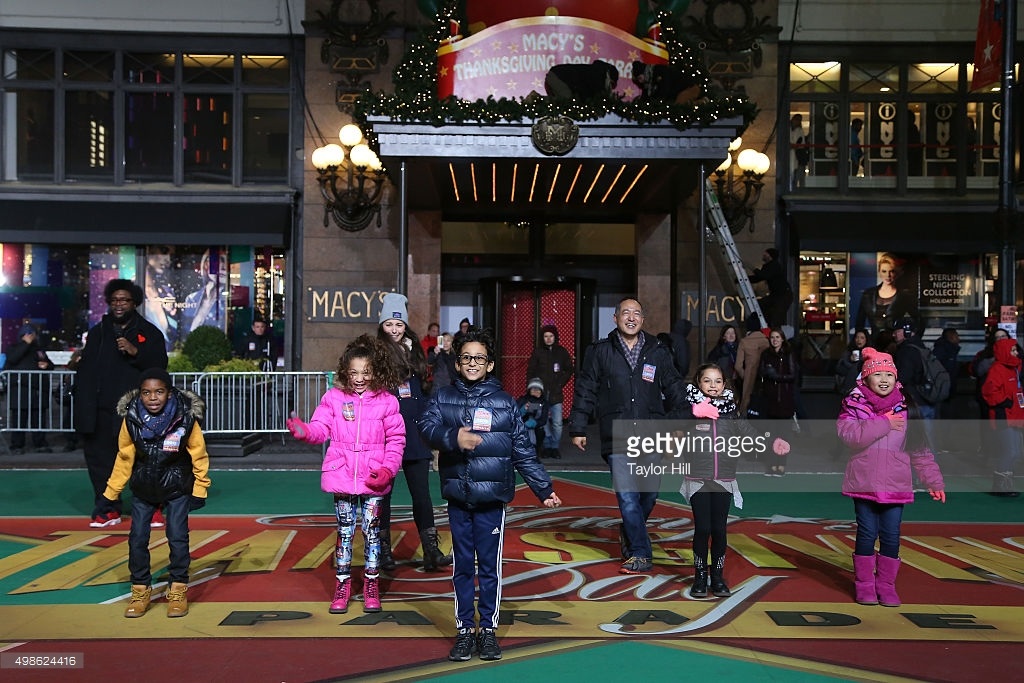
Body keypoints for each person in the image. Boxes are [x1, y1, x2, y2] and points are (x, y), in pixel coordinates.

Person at [419, 328, 562, 662]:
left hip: (492, 499)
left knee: (489, 567)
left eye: (479, 358)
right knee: (462, 566)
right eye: (466, 357)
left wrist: (544, 488)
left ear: (491, 364)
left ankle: (488, 631)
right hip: (458, 495)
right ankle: (465, 630)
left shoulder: (506, 404)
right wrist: (453, 437)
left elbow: (524, 452)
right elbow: (426, 428)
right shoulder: (442, 397)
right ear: (457, 364)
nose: (472, 363)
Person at [568, 297, 689, 575]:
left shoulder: (658, 350)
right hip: (617, 435)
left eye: (636, 313)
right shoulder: (600, 351)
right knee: (628, 497)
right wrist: (578, 426)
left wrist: (682, 421)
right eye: (626, 313)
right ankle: (640, 552)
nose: (631, 317)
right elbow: (586, 387)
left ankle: (630, 529)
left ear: (643, 320)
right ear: (616, 318)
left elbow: (674, 387)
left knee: (649, 495)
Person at [286, 334, 405, 614]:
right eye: (354, 372)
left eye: (366, 372)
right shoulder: (333, 398)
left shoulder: (387, 401)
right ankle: (342, 585)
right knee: (345, 532)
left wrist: (388, 469)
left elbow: (397, 440)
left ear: (376, 372)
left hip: (374, 478)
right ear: (344, 372)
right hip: (342, 478)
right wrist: (304, 432)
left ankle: (371, 585)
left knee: (373, 534)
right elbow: (319, 429)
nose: (360, 378)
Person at [837, 348, 945, 607]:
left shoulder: (907, 408)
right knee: (866, 534)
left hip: (896, 485)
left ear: (896, 379)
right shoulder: (853, 405)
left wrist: (933, 480)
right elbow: (851, 437)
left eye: (889, 374)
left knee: (891, 536)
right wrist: (884, 422)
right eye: (878, 375)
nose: (884, 379)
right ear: (865, 379)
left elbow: (919, 449)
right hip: (864, 482)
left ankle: (886, 586)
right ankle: (864, 586)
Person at [101, 367, 210, 618]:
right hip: (143, 490)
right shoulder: (131, 419)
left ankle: (177, 590)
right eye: (147, 392)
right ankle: (140, 590)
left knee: (178, 538)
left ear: (169, 394)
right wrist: (111, 491)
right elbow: (124, 456)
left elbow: (199, 454)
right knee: (137, 539)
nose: (153, 398)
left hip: (177, 488)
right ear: (139, 395)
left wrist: (200, 488)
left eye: (159, 392)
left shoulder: (186, 418)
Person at [682, 363, 788, 599]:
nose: (713, 385)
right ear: (698, 383)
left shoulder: (731, 411)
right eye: (707, 381)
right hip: (697, 478)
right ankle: (700, 576)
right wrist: (693, 413)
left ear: (724, 384)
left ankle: (717, 577)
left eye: (718, 381)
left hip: (724, 479)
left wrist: (772, 445)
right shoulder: (687, 408)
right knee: (703, 529)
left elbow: (750, 433)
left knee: (719, 530)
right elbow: (672, 425)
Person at [74, 279, 168, 528]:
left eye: (124, 300)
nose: (118, 304)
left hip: (137, 411)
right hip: (101, 412)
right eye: (114, 300)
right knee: (101, 461)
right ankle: (107, 508)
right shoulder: (97, 333)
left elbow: (160, 367)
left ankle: (151, 509)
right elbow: (85, 373)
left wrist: (137, 352)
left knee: (144, 460)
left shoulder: (149, 332)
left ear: (134, 302)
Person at [377, 293, 452, 572]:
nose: (395, 330)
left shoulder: (415, 350)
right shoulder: (376, 352)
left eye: (399, 325)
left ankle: (431, 550)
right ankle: (382, 551)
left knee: (422, 495)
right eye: (389, 325)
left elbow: (423, 385)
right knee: (382, 496)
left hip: (415, 434)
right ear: (381, 326)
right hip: (384, 437)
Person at [980, 337, 1024, 497]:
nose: (1016, 353)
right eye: (1012, 350)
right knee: (1010, 451)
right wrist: (1005, 401)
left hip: (1015, 415)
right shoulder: (998, 369)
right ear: (1005, 352)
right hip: (1003, 416)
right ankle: (1000, 485)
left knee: (1016, 451)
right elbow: (988, 392)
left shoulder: (1014, 368)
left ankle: (1004, 483)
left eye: (1015, 350)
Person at [526, 324, 575, 459]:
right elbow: (530, 370)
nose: (548, 339)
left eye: (551, 336)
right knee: (543, 421)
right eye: (546, 336)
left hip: (555, 393)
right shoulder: (538, 352)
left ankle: (555, 446)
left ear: (555, 337)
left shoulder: (561, 352)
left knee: (558, 423)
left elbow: (569, 369)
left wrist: (560, 383)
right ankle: (547, 446)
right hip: (540, 393)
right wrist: (531, 388)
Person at [756, 327, 799, 475]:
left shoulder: (788, 354)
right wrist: (767, 374)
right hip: (770, 400)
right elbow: (760, 373)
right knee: (771, 435)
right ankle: (772, 463)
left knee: (783, 434)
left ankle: (781, 464)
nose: (774, 340)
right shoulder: (766, 354)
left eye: (777, 337)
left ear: (782, 339)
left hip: (785, 400)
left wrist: (777, 376)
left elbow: (793, 375)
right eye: (772, 337)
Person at [6, 323, 54, 454]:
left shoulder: (39, 350)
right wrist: (25, 344)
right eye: (27, 334)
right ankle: (17, 445)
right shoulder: (14, 348)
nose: (30, 337)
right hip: (20, 391)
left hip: (37, 391)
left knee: (38, 419)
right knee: (19, 420)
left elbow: (50, 365)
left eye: (32, 334)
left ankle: (40, 443)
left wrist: (46, 365)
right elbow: (12, 358)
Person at [891, 317, 938, 449]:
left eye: (897, 331)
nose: (894, 334)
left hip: (914, 402)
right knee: (927, 441)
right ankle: (929, 468)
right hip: (925, 399)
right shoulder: (920, 347)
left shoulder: (907, 351)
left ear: (906, 331)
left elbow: (903, 377)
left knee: (915, 442)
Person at [854, 252, 920, 340]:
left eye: (891, 271)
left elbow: (919, 320)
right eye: (884, 271)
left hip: (894, 344)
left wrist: (912, 338)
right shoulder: (868, 294)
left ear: (896, 272)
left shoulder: (904, 296)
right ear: (879, 272)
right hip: (874, 343)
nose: (888, 275)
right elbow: (859, 323)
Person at [182, 248, 228, 334]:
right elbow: (185, 331)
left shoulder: (229, 299)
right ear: (206, 265)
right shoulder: (191, 298)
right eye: (219, 261)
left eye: (227, 262)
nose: (223, 267)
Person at [142, 246, 179, 352]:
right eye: (164, 252)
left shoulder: (168, 293)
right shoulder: (129, 291)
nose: (168, 259)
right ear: (149, 252)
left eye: (171, 255)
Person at [748, 248, 793, 328]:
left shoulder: (774, 265)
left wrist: (753, 268)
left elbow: (763, 275)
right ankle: (765, 325)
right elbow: (758, 278)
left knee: (777, 318)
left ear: (770, 256)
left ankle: (777, 334)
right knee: (759, 305)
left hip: (783, 296)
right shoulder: (768, 266)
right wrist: (745, 279)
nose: (763, 255)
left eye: (766, 253)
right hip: (775, 295)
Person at [734, 313, 769, 416]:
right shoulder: (767, 341)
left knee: (747, 405)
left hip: (749, 375)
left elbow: (738, 366)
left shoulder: (744, 342)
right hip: (765, 376)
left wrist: (746, 376)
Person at [932, 327, 961, 420]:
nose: (959, 338)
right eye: (957, 336)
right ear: (951, 337)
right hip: (942, 389)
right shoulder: (944, 351)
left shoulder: (949, 350)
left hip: (946, 389)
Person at [516, 377, 549, 452]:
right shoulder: (523, 400)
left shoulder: (544, 403)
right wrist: (524, 410)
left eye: (538, 389)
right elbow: (515, 415)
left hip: (537, 425)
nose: (536, 391)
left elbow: (544, 419)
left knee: (542, 431)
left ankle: (538, 449)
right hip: (523, 424)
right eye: (533, 389)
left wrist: (535, 423)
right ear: (529, 390)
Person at [835, 329, 869, 396]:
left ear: (866, 340)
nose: (859, 340)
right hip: (848, 385)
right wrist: (849, 360)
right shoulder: (848, 351)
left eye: (862, 338)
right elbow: (839, 369)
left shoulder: (870, 353)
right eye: (857, 337)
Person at [790, 113, 809, 187]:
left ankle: (798, 187)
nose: (797, 122)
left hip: (798, 155)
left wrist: (794, 146)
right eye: (796, 119)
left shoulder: (800, 131)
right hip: (790, 155)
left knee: (798, 174)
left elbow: (800, 143)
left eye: (799, 120)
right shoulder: (788, 129)